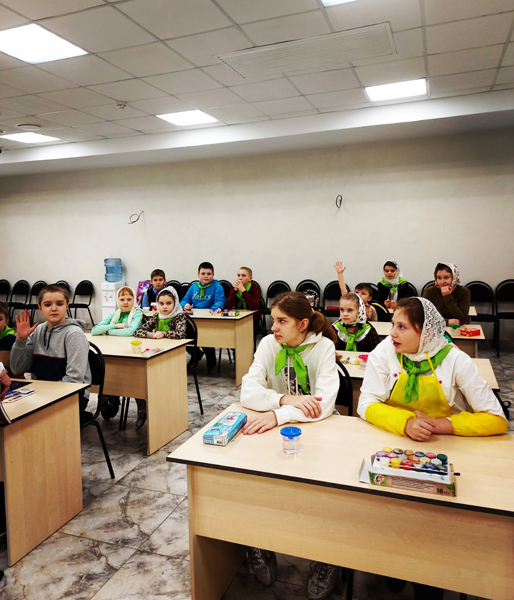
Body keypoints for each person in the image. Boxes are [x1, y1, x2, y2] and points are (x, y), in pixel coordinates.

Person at [240, 291, 342, 600]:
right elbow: (248, 392)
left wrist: (277, 414)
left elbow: (323, 405)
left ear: (303, 324)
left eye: (281, 321)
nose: (273, 327)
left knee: (325, 494)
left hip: (317, 429)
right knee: (252, 482)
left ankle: (328, 557)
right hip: (276, 429)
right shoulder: (268, 344)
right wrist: (286, 399)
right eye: (273, 320)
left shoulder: (323, 347)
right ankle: (258, 542)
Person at [358, 297, 507, 440]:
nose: (392, 333)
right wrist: (405, 423)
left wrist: (437, 425)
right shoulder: (385, 351)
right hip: (393, 437)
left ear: (427, 333)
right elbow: (366, 403)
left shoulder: (455, 360)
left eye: (402, 327)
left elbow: (497, 419)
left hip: (447, 442)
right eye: (393, 324)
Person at [10, 285, 92, 423]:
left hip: (73, 395)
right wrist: (20, 340)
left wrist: (44, 395)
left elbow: (74, 381)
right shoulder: (37, 331)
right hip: (44, 391)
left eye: (59, 304)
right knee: (12, 413)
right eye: (47, 304)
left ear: (67, 306)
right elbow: (17, 369)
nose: (54, 308)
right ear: (40, 308)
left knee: (31, 419)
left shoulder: (74, 334)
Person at [91, 286, 144, 424]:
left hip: (130, 353)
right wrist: (115, 326)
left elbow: (130, 332)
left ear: (134, 300)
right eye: (122, 299)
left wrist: (108, 331)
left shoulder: (137, 313)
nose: (125, 302)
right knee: (104, 370)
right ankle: (108, 397)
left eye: (129, 299)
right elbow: (95, 330)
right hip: (112, 350)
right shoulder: (115, 314)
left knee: (133, 379)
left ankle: (141, 405)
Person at [180, 262, 225, 371]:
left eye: (208, 274)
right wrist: (185, 305)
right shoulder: (193, 287)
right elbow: (184, 300)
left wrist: (215, 308)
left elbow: (220, 301)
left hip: (210, 318)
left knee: (205, 336)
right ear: (198, 274)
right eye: (203, 273)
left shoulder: (217, 286)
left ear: (213, 275)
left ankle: (210, 354)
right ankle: (196, 354)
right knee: (183, 335)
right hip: (194, 318)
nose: (206, 276)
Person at [0, 301, 16, 375]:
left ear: (6, 321)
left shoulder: (9, 338)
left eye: (0, 319)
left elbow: (2, 369)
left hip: (9, 378)